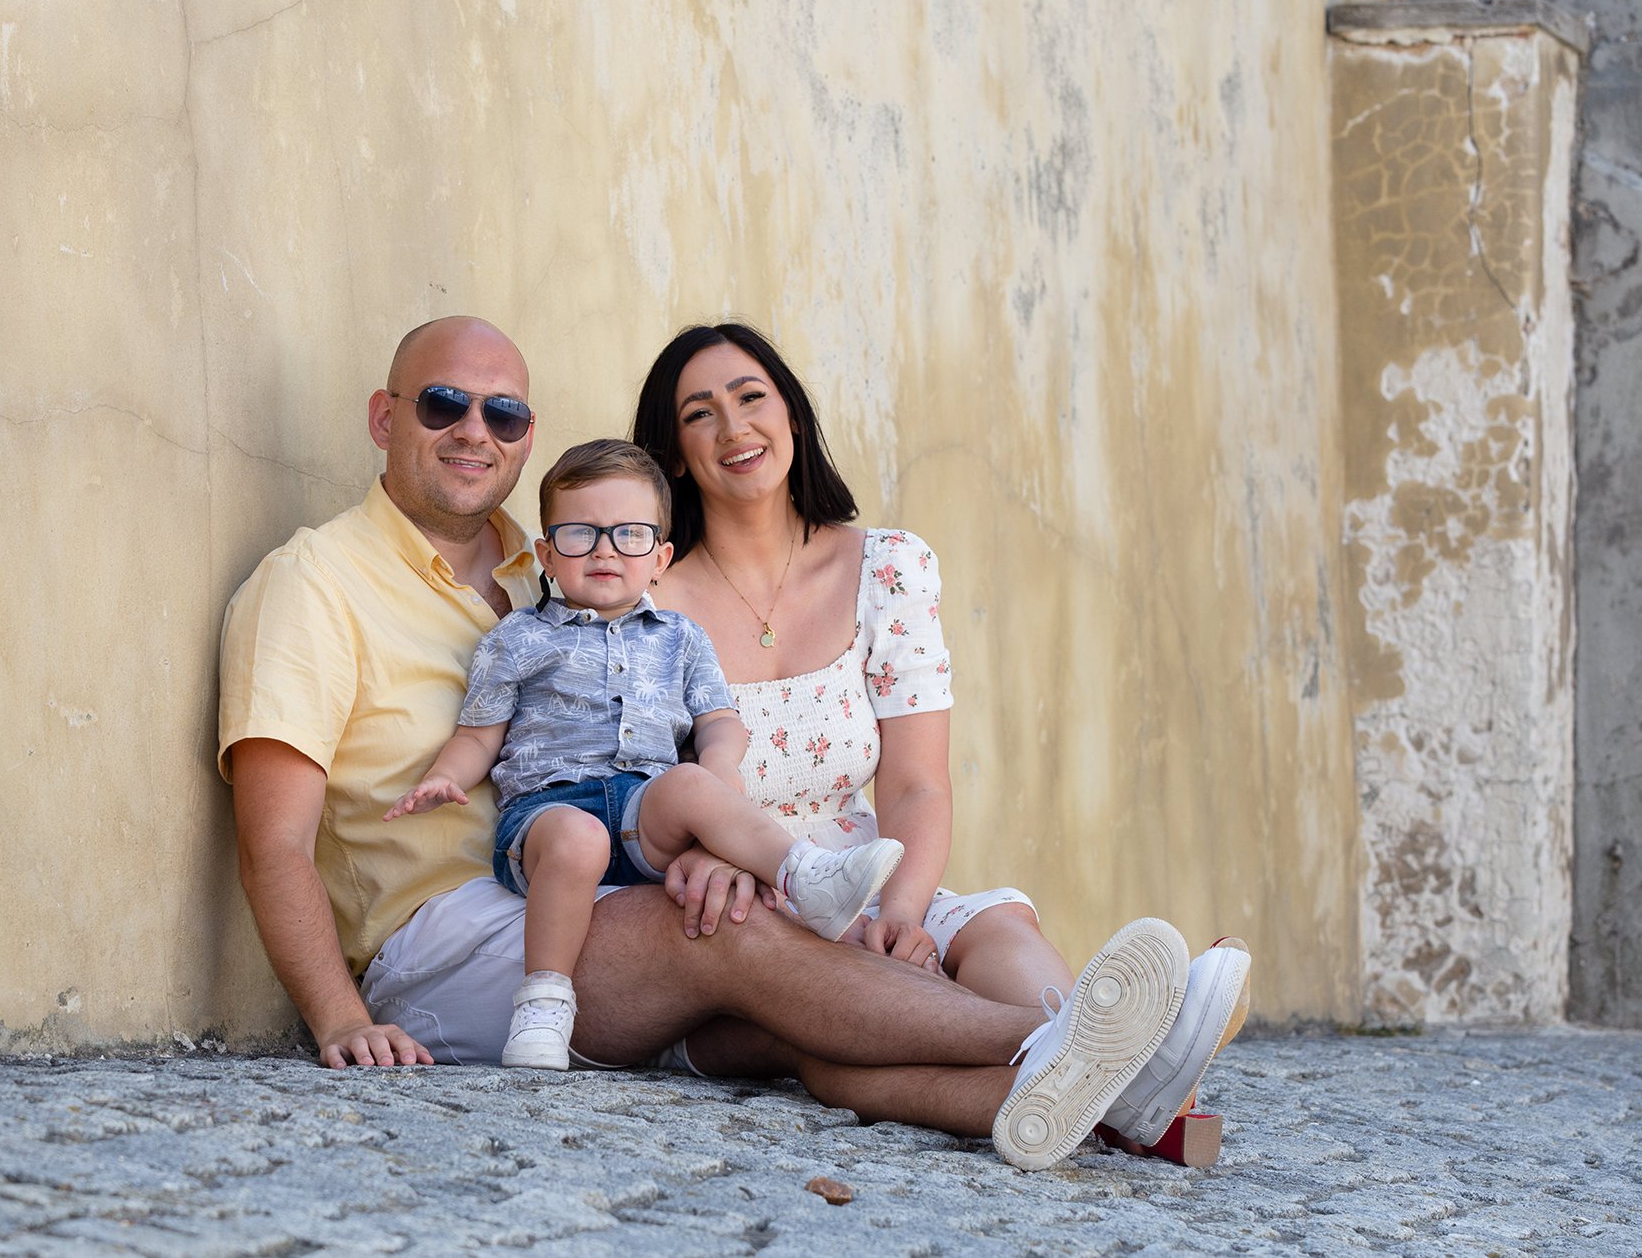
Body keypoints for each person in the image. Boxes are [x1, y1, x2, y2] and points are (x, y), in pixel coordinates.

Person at [219, 314, 1196, 1173]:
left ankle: (1083, 1108)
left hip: (597, 892)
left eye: (503, 414)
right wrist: (341, 1017)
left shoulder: (547, 569)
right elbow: (273, 841)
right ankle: (1065, 1044)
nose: (474, 432)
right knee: (730, 933)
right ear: (385, 419)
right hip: (446, 939)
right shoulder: (313, 583)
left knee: (784, 1020)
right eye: (443, 405)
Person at [630, 321, 1254, 1166]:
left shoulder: (887, 567)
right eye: (699, 414)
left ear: (795, 419)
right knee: (836, 1033)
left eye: (752, 399)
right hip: (745, 899)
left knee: (993, 925)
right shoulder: (645, 600)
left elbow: (918, 783)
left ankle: (1116, 1057)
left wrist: (902, 911)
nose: (734, 429)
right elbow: (641, 789)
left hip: (871, 867)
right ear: (672, 454)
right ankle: (1140, 1073)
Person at [386, 438, 906, 1070]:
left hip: (642, 807)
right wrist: (445, 777)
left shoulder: (681, 639)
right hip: (548, 817)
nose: (605, 549)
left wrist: (715, 778)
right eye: (580, 534)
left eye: (629, 535)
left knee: (688, 783)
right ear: (547, 555)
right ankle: (544, 1007)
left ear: (659, 558)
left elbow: (721, 724)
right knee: (578, 839)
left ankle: (804, 873)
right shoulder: (517, 639)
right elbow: (479, 736)